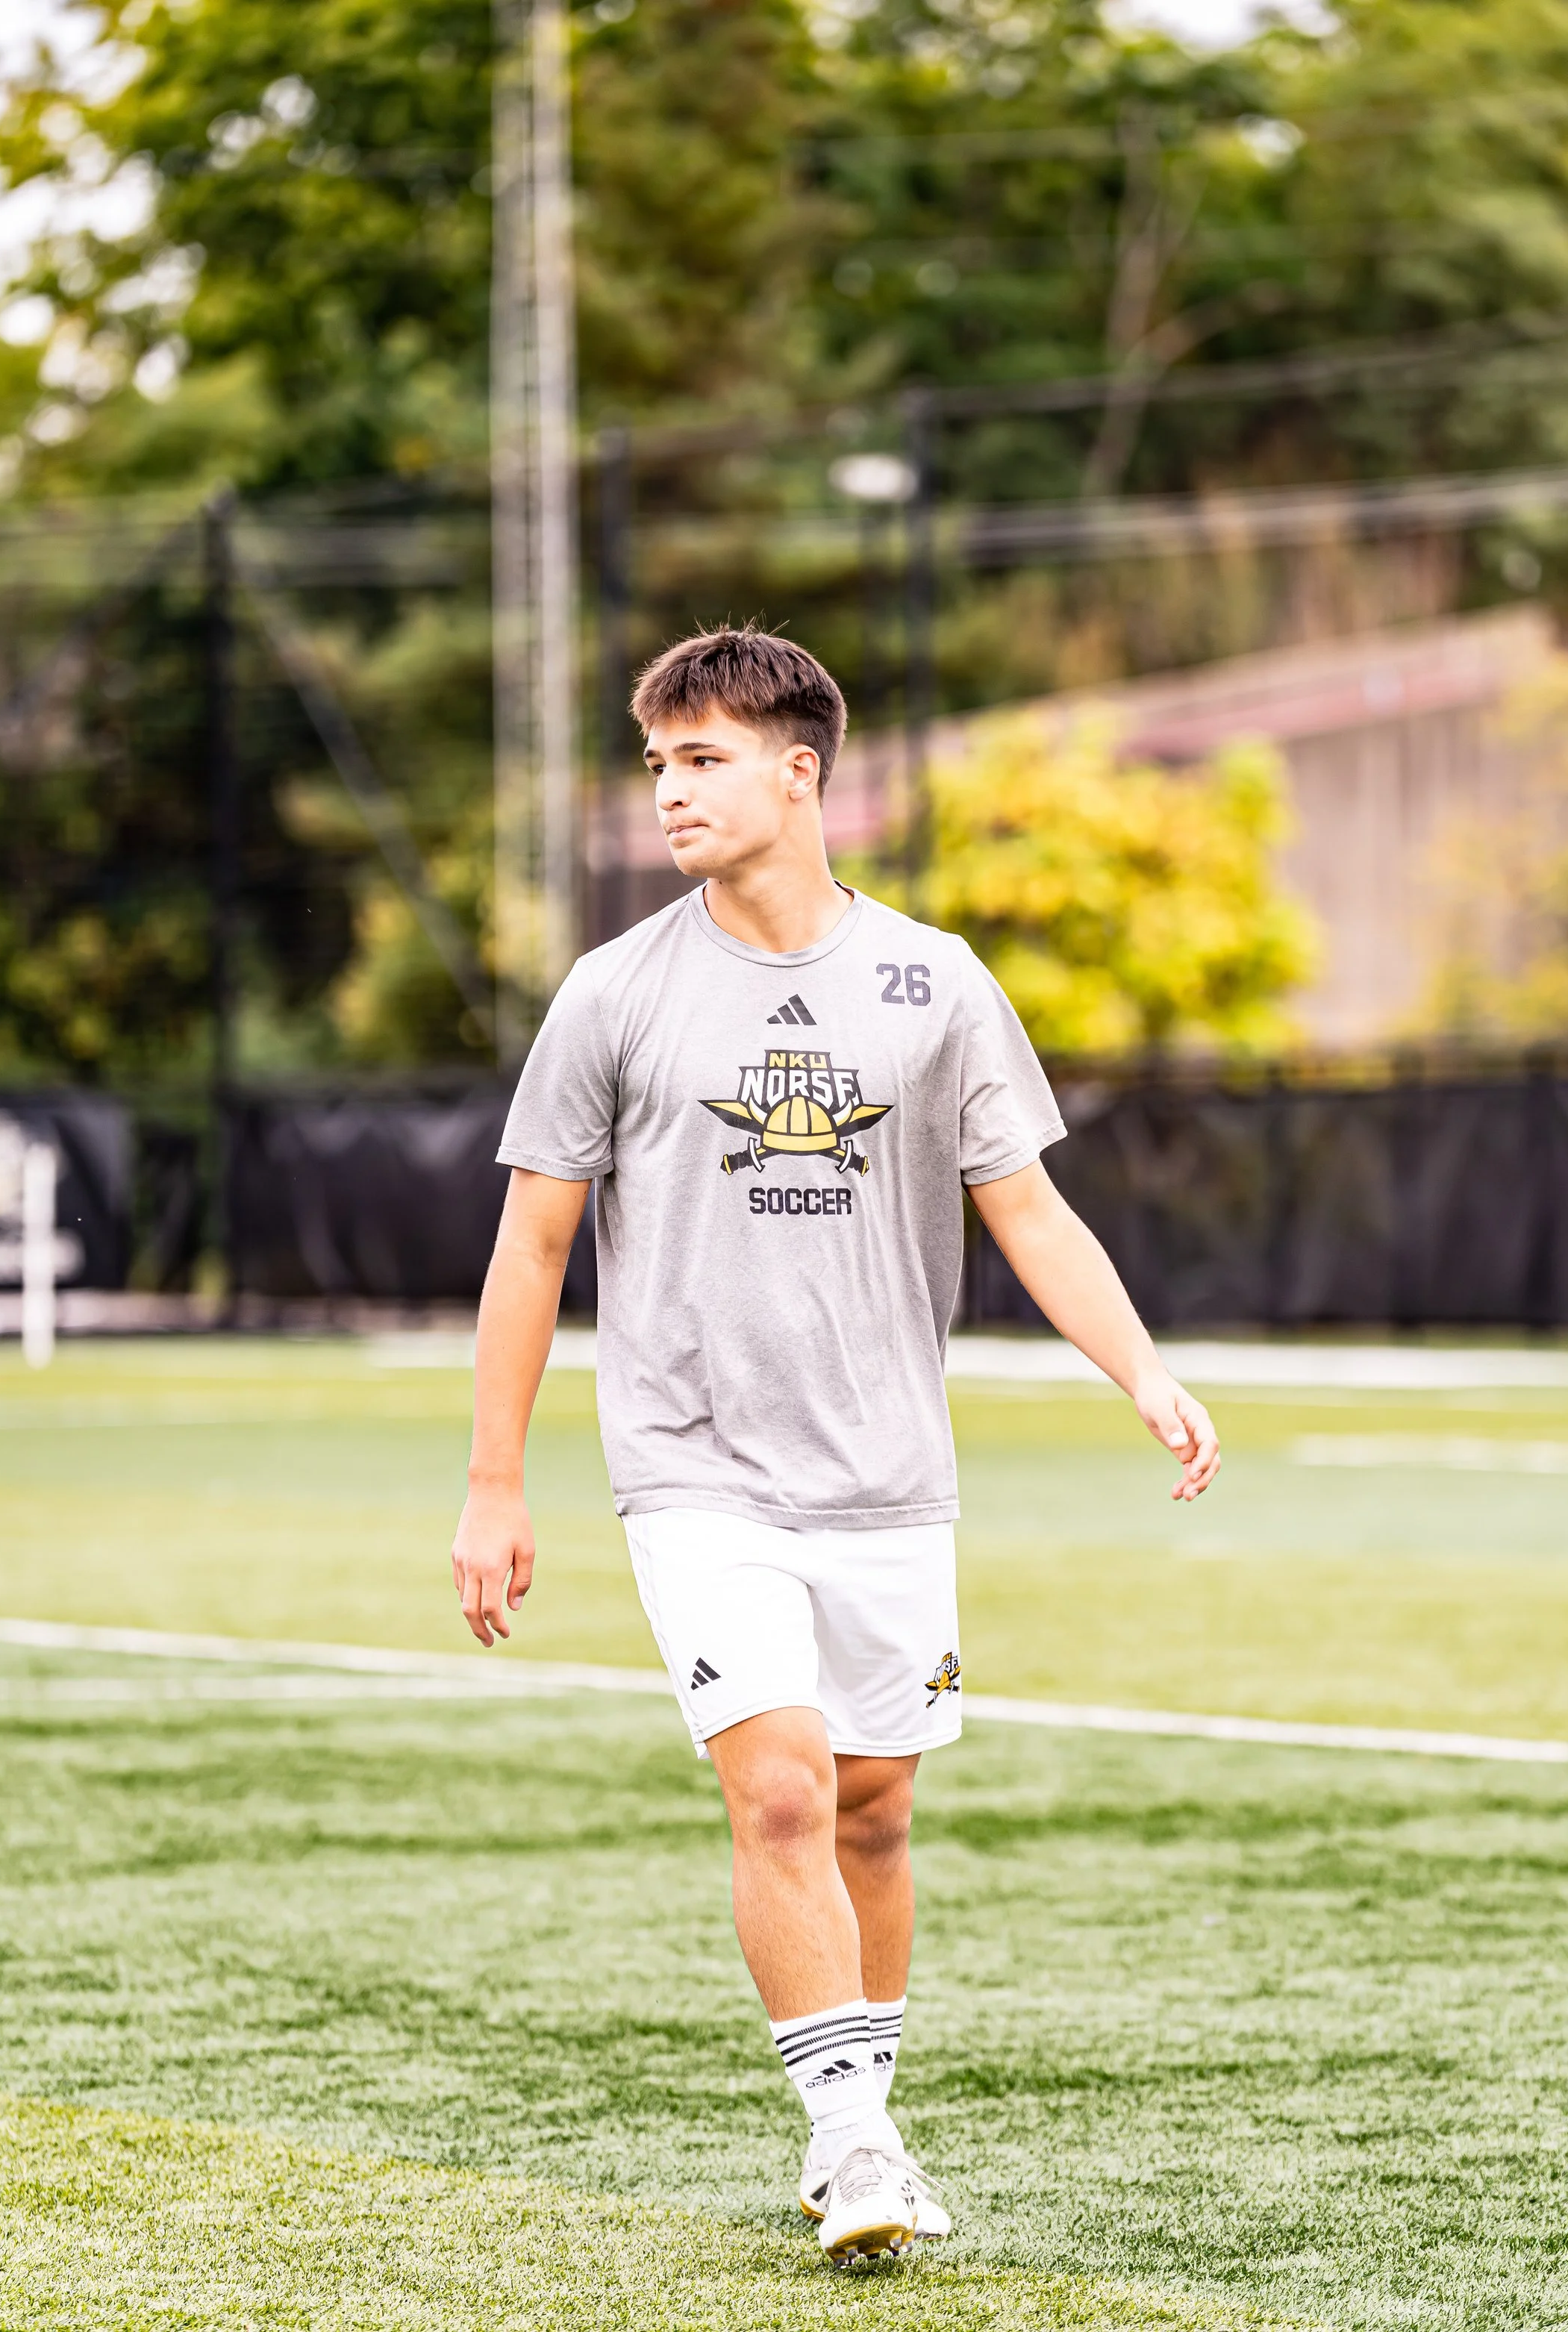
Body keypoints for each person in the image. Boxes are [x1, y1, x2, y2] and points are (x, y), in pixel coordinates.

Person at [452, 625, 1220, 2268]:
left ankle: (861, 2110)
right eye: (656, 761)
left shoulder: (933, 980)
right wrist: (494, 1481)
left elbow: (1024, 1204)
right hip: (693, 1465)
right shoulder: (613, 989)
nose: (667, 789)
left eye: (702, 757)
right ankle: (852, 2138)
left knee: (874, 1804)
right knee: (784, 1793)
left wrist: (1138, 1370)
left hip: (886, 1474)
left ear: (801, 772)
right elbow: (529, 1247)